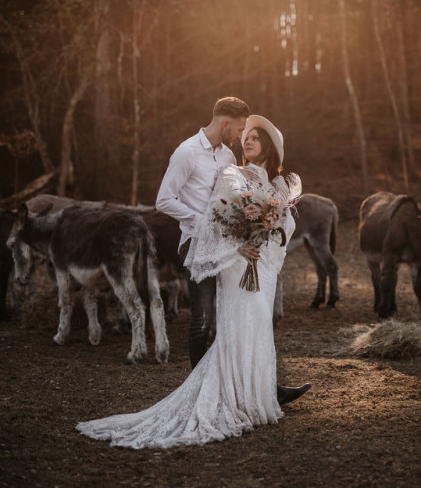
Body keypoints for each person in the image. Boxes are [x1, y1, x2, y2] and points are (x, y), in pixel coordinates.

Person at [76, 113, 306, 448]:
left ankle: (260, 392)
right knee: (230, 323)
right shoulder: (233, 173)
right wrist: (240, 246)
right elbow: (218, 219)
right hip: (235, 261)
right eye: (246, 136)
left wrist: (265, 237)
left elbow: (285, 223)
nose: (247, 140)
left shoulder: (279, 185)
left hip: (263, 264)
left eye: (255, 137)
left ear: (269, 145)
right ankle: (221, 393)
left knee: (260, 325)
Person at [154, 97, 310, 405]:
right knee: (201, 318)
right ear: (226, 124)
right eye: (240, 131)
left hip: (232, 246)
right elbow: (164, 200)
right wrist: (205, 222)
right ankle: (202, 391)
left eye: (249, 135)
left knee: (242, 314)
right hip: (197, 242)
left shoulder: (227, 156)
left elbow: (241, 198)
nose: (242, 138)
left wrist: (252, 230)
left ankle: (263, 386)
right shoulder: (186, 152)